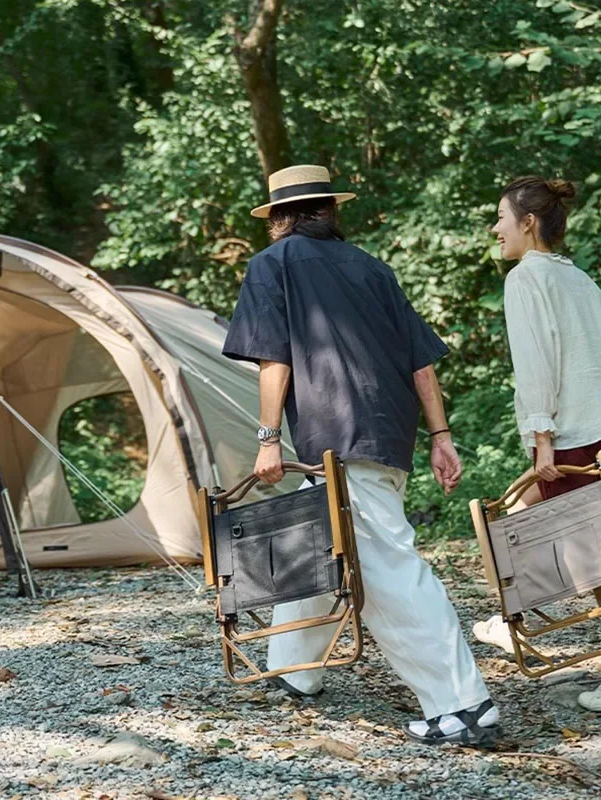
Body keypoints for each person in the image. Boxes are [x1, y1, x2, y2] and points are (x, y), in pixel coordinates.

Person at [222, 164, 498, 746]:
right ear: (329, 210)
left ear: (279, 217)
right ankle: (295, 670)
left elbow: (275, 359)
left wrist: (268, 438)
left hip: (335, 436)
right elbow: (420, 361)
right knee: (317, 540)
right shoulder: (372, 268)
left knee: (388, 571)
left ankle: (463, 704)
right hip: (386, 434)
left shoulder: (270, 266)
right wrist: (440, 436)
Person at [473, 175, 601, 713]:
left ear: (527, 223)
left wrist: (542, 439)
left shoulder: (526, 279)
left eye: (501, 218)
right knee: (512, 522)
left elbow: (537, 363)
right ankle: (516, 621)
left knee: (587, 552)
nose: (495, 228)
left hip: (572, 437)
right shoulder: (579, 279)